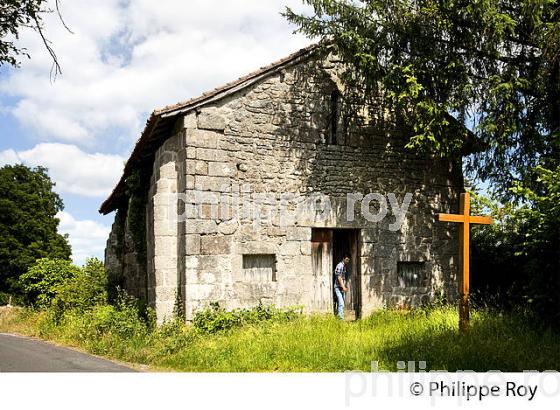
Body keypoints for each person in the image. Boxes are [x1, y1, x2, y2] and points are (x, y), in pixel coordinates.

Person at [333, 253, 350, 320]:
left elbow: (343, 277)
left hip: (341, 287)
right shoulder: (340, 265)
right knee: (341, 303)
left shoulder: (344, 266)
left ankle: (339, 317)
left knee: (340, 303)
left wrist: (344, 286)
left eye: (348, 260)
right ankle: (341, 319)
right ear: (343, 258)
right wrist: (343, 287)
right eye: (346, 259)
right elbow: (339, 277)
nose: (347, 261)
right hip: (338, 287)